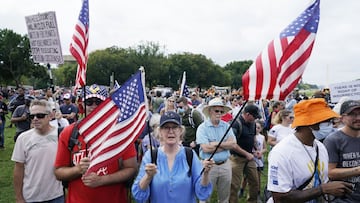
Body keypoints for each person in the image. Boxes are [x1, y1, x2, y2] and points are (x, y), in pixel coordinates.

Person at [54, 84, 138, 203]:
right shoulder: (69, 132)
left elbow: (131, 168)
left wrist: (102, 180)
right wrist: (77, 170)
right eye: (89, 102)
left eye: (98, 102)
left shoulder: (119, 131)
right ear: (82, 105)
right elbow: (58, 172)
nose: (94, 106)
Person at [267, 98, 353, 203]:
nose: (331, 125)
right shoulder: (282, 152)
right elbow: (280, 198)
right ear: (311, 123)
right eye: (327, 121)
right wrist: (323, 189)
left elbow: (323, 180)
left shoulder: (320, 147)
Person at [132, 111, 214, 202]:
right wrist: (147, 177)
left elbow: (202, 193)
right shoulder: (151, 156)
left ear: (180, 130)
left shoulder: (190, 155)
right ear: (160, 131)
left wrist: (206, 174)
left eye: (174, 127)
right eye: (166, 128)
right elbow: (139, 196)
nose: (171, 131)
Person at [11, 99, 64, 202]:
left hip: (56, 196)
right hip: (31, 196)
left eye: (40, 115)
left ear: (50, 116)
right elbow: (18, 169)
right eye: (32, 116)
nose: (35, 119)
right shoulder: (23, 138)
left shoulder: (61, 135)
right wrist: (19, 197)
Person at [196, 97, 236, 203]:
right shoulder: (202, 128)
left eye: (221, 111)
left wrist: (215, 144)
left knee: (224, 197)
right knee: (205, 196)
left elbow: (233, 144)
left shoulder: (227, 126)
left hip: (225, 165)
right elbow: (205, 148)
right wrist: (224, 145)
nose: (219, 113)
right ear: (210, 111)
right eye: (216, 110)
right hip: (209, 166)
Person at [323, 100, 360, 202]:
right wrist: (357, 170)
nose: (358, 118)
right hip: (345, 199)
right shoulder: (333, 140)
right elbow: (330, 172)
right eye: (352, 114)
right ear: (342, 118)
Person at [229, 103, 262, 203]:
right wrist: (246, 154)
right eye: (254, 116)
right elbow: (232, 144)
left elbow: (253, 138)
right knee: (234, 185)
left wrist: (256, 149)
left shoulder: (253, 123)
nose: (255, 119)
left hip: (250, 157)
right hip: (236, 158)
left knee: (255, 182)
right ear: (247, 114)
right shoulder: (235, 124)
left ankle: (252, 200)